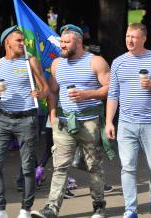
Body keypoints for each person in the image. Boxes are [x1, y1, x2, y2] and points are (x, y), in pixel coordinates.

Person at [31, 24, 113, 218]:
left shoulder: (96, 62)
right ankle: (51, 208)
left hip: (90, 122)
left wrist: (87, 94)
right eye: (61, 42)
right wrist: (51, 113)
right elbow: (52, 91)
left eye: (67, 43)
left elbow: (110, 89)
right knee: (60, 166)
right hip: (64, 122)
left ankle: (99, 205)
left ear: (79, 42)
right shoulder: (57, 64)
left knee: (94, 165)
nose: (63, 46)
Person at [105, 23, 151, 218]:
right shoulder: (118, 62)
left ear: (143, 38)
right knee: (127, 167)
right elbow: (113, 94)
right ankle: (130, 209)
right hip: (125, 124)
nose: (129, 40)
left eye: (134, 37)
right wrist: (109, 121)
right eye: (127, 36)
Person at [0, 26, 49, 218]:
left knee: (28, 167)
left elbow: (45, 89)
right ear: (7, 43)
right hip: (3, 119)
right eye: (19, 41)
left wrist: (40, 93)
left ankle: (26, 209)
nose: (23, 43)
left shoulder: (30, 62)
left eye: (23, 40)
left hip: (27, 119)